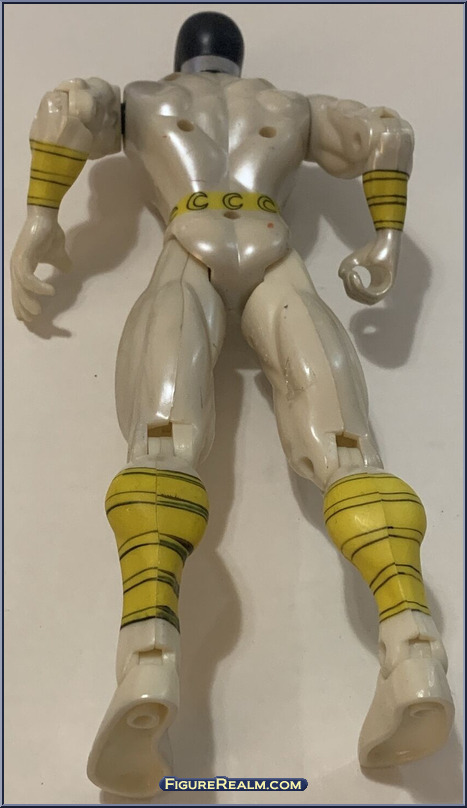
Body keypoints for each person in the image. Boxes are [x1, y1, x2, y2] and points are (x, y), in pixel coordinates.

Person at [10, 11, 454, 798]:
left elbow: (69, 106)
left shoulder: (145, 99)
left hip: (190, 244)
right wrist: (384, 235)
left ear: (181, 55)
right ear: (237, 59)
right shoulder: (289, 106)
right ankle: (414, 653)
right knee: (348, 451)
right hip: (275, 250)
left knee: (161, 444)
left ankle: (146, 662)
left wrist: (41, 217)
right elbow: (385, 132)